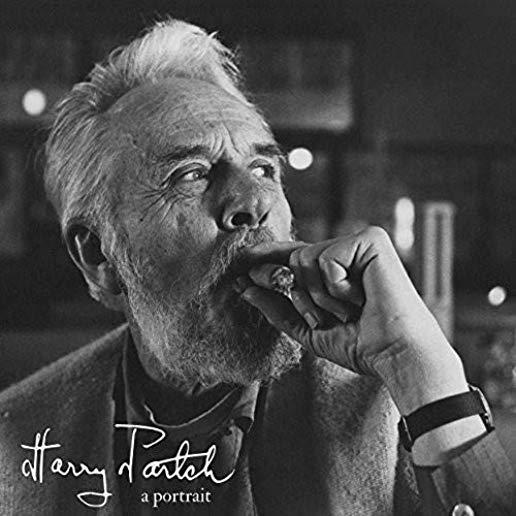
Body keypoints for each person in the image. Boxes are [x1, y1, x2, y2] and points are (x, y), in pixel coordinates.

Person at [0, 19, 514, 516]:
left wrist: (421, 372)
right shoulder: (18, 439)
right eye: (191, 174)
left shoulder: (396, 408)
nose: (254, 202)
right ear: (99, 256)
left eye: (264, 168)